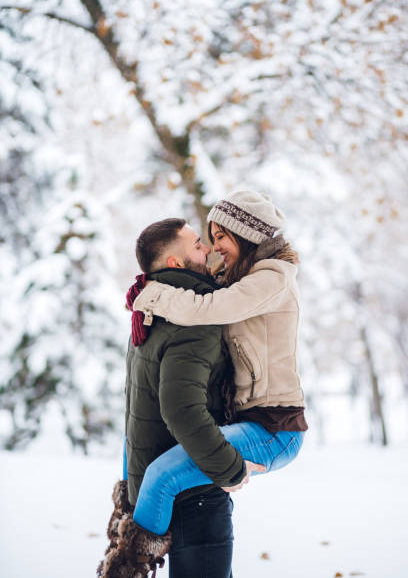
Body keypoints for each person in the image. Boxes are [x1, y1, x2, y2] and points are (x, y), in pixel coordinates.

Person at [125, 190, 307, 571]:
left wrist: (153, 292)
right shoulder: (235, 278)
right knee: (160, 474)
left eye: (220, 236)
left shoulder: (271, 278)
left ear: (244, 235)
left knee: (161, 475)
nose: (213, 247)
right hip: (248, 422)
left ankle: (128, 565)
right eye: (207, 238)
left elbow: (208, 307)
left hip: (275, 427)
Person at [97, 217, 263, 578]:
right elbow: (181, 410)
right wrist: (230, 470)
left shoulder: (152, 309)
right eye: (197, 245)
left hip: (155, 478)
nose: (207, 249)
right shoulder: (192, 316)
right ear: (175, 263)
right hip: (193, 489)